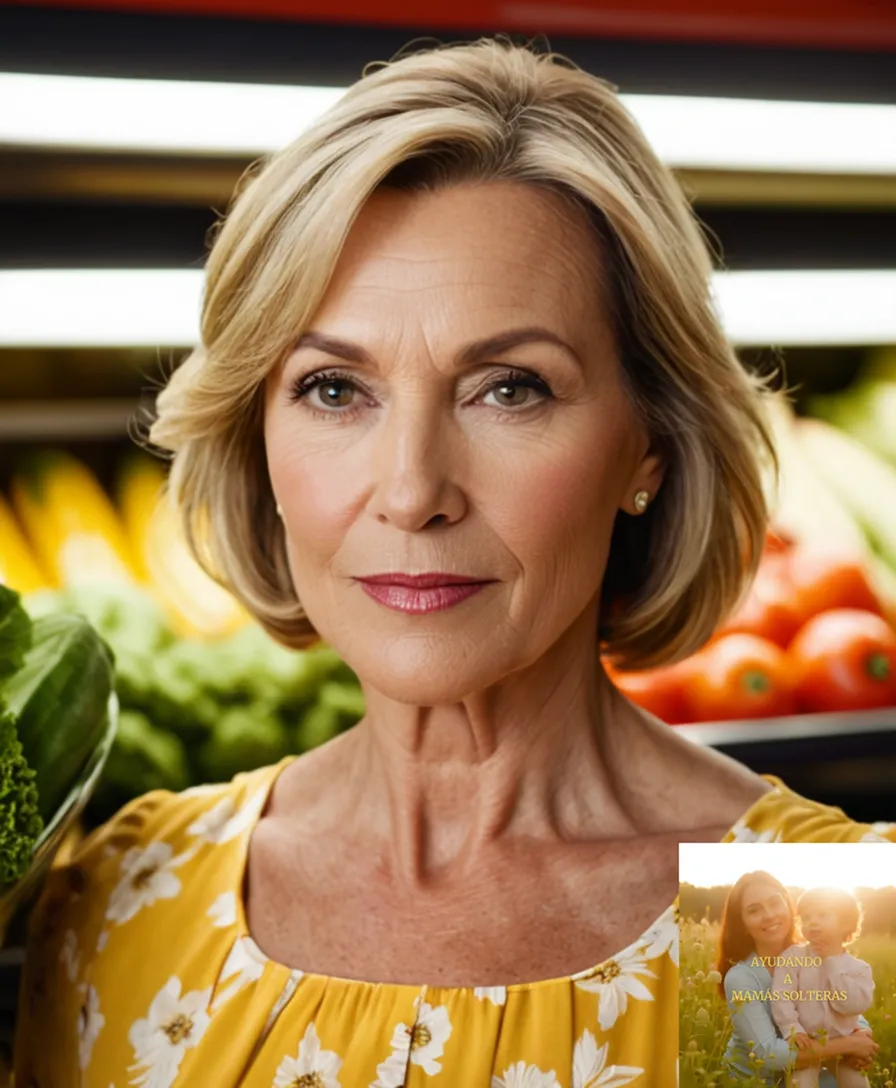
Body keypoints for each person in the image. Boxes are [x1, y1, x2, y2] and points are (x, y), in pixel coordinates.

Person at [14, 35, 896, 1088]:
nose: (410, 488)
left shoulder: (799, 913)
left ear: (647, 448)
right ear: (256, 436)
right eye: (335, 389)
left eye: (508, 387)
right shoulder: (116, 894)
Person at [717, 873, 878, 1086]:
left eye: (775, 903)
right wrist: (849, 1045)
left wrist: (862, 1033)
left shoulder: (815, 951)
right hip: (758, 1079)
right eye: (754, 910)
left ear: (788, 905)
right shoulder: (741, 977)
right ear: (743, 923)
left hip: (812, 1064)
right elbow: (768, 1053)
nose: (769, 915)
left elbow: (839, 1002)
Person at [770, 886, 875, 1088]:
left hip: (844, 1046)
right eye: (807, 917)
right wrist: (793, 1030)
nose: (813, 922)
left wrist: (832, 961)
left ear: (845, 923)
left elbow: (853, 1006)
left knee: (857, 1083)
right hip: (807, 1043)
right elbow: (782, 997)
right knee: (800, 1083)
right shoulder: (793, 957)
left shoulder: (859, 969)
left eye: (822, 915)